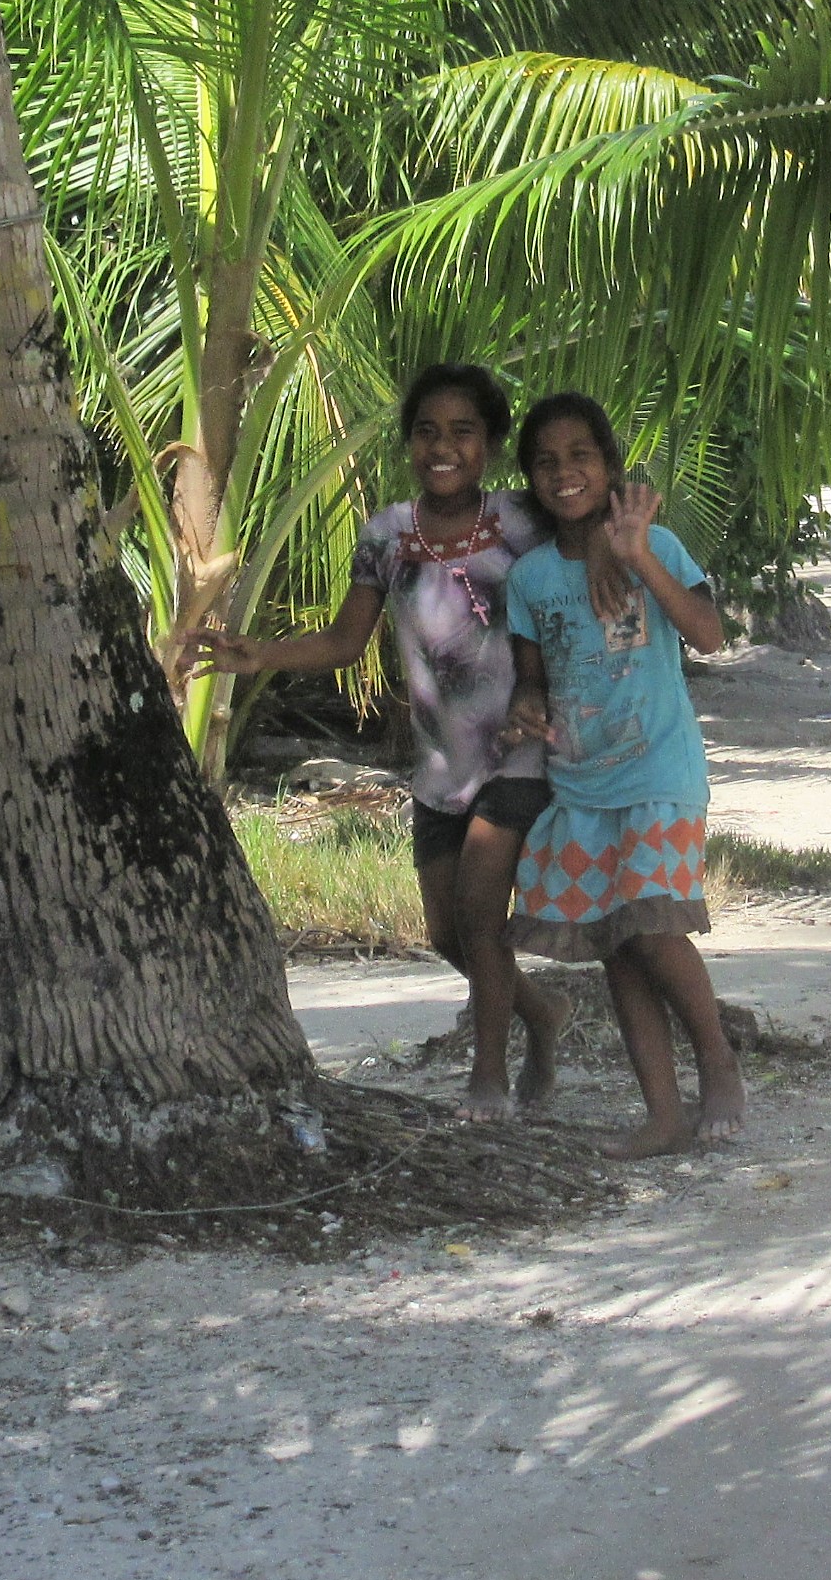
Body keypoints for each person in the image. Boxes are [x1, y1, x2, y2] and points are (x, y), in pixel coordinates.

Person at [194, 362, 568, 1120]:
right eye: (427, 431)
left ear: (491, 444)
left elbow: (578, 585)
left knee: (479, 916)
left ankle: (487, 1078)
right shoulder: (386, 534)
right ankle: (543, 1012)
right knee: (446, 934)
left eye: (463, 432)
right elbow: (343, 639)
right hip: (437, 768)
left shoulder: (526, 521)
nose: (444, 446)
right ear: (408, 445)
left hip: (518, 756)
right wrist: (257, 653)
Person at [502, 392, 745, 1158]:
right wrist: (527, 706)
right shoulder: (532, 577)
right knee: (619, 945)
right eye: (546, 461)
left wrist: (637, 553)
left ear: (608, 465)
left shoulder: (658, 545)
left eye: (581, 455)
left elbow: (708, 636)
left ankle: (717, 1058)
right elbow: (530, 675)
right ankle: (663, 1114)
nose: (564, 472)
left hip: (660, 773)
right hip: (580, 786)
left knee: (654, 924)